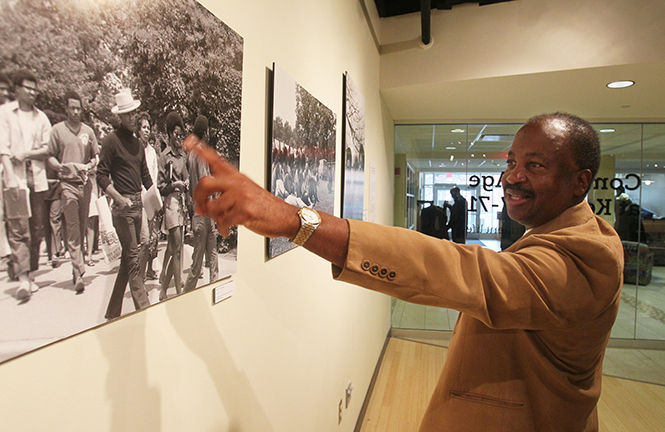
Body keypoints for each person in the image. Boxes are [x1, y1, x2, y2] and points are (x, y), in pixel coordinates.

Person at [185, 112, 623, 432]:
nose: (512, 177)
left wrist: (295, 220)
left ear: (580, 181)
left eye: (535, 165)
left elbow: (459, 270)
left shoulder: (588, 256)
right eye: (512, 162)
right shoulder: (562, 232)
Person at [96, 89, 152, 319]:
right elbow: (100, 175)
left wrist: (157, 199)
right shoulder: (110, 141)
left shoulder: (138, 145)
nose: (131, 117)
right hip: (122, 209)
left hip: (139, 207)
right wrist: (118, 197)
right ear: (119, 116)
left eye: (133, 113)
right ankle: (147, 313)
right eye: (127, 114)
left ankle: (112, 312)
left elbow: (146, 177)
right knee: (134, 264)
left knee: (128, 262)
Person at [0, 69, 52, 301]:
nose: (31, 93)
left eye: (34, 89)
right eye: (27, 88)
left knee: (37, 228)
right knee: (18, 228)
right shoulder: (6, 114)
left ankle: (28, 271)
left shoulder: (41, 117)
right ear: (18, 90)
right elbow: (3, 148)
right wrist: (9, 177)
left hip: (37, 178)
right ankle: (23, 277)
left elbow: (48, 147)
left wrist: (27, 153)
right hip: (17, 179)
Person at [47, 90, 99, 293]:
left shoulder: (89, 131)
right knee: (73, 228)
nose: (76, 111)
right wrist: (61, 167)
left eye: (79, 108)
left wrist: (90, 165)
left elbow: (96, 156)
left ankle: (76, 266)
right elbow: (49, 157)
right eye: (72, 108)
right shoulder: (57, 131)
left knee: (84, 224)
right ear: (66, 109)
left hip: (84, 184)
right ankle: (79, 272)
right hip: (67, 185)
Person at [157, 111, 189, 300]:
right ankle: (178, 291)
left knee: (176, 247)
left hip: (182, 205)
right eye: (176, 134)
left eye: (181, 135)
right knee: (176, 249)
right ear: (169, 134)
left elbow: (186, 177)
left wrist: (186, 183)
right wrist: (174, 185)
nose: (179, 138)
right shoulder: (164, 156)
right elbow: (161, 187)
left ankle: (163, 290)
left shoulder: (183, 156)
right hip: (171, 204)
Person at [184, 115, 217, 292]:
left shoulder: (190, 153)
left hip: (198, 212)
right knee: (206, 261)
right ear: (205, 131)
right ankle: (185, 298)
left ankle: (211, 290)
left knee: (205, 260)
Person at [136, 112, 161, 282]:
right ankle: (139, 274)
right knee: (143, 238)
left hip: (150, 198)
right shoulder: (135, 149)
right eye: (144, 127)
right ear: (138, 129)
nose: (146, 130)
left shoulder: (152, 152)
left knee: (152, 235)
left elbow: (154, 175)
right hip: (138, 197)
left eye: (148, 127)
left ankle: (148, 270)